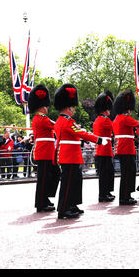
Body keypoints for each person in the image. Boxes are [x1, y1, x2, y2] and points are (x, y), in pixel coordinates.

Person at [54, 84, 107, 219]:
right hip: (69, 156)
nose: (74, 109)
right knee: (68, 183)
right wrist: (99, 140)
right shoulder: (67, 121)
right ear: (68, 107)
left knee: (75, 182)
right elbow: (82, 133)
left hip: (71, 155)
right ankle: (64, 209)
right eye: (73, 106)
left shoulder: (62, 120)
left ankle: (71, 205)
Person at [29, 84, 60, 212]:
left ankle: (45, 199)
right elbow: (57, 125)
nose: (48, 108)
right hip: (44, 152)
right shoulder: (42, 119)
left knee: (52, 175)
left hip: (47, 151)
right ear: (42, 107)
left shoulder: (40, 118)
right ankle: (41, 203)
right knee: (44, 178)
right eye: (46, 106)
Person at [112, 90, 139, 205]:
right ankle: (125, 197)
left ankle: (125, 196)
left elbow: (126, 134)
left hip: (122, 147)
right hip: (126, 149)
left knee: (127, 173)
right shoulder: (125, 118)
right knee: (128, 173)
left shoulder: (117, 118)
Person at [93, 91, 115, 202]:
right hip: (104, 151)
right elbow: (115, 127)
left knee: (106, 174)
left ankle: (106, 193)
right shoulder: (105, 120)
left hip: (101, 151)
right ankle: (103, 195)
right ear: (106, 109)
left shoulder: (98, 119)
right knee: (105, 175)